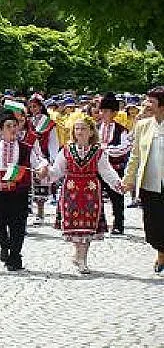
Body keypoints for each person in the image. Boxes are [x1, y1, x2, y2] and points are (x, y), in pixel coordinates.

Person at [0, 111, 49, 272]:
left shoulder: (25, 148)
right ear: (0, 130)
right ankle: (4, 245)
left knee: (18, 224)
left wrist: (42, 168)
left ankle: (15, 256)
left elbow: (39, 161)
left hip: (18, 191)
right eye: (8, 126)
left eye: (15, 125)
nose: (13, 129)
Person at [47, 116, 123, 274]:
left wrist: (118, 184)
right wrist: (45, 173)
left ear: (90, 132)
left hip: (90, 191)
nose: (80, 132)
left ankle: (83, 259)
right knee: (75, 225)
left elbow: (106, 171)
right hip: (71, 191)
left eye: (83, 129)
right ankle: (78, 253)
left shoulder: (99, 152)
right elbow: (57, 171)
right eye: (77, 129)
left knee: (88, 225)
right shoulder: (66, 150)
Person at [121, 87, 164, 273]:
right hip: (149, 184)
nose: (147, 105)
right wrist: (128, 179)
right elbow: (135, 156)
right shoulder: (143, 125)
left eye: (151, 102)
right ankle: (160, 249)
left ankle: (162, 256)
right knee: (152, 225)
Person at [97, 92, 131, 235]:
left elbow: (125, 148)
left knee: (116, 196)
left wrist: (106, 149)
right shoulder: (96, 127)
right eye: (102, 111)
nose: (103, 114)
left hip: (115, 168)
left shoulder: (121, 130)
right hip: (98, 168)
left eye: (106, 111)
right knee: (96, 196)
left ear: (114, 113)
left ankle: (118, 224)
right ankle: (99, 223)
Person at [25, 93, 59, 225]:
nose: (33, 109)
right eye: (31, 107)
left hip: (43, 154)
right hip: (29, 153)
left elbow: (53, 141)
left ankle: (40, 212)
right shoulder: (27, 121)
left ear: (41, 107)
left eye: (35, 106)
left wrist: (52, 157)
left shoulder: (48, 123)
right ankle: (27, 209)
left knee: (40, 182)